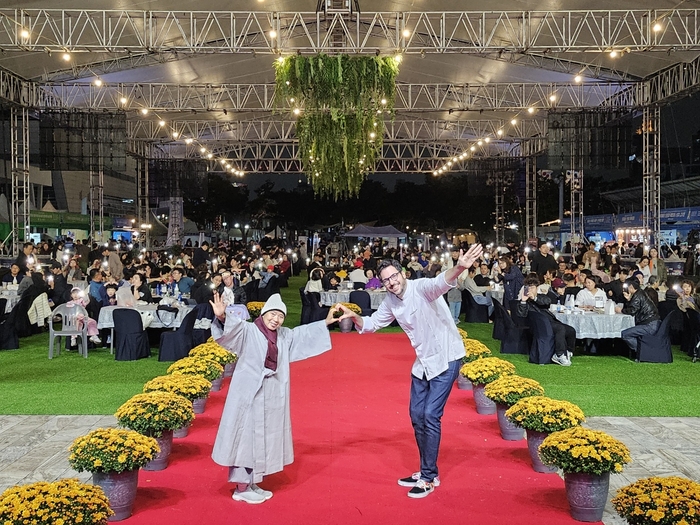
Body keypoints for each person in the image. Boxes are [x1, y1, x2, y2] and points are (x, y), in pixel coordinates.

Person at [337, 243, 484, 499]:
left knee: (430, 415)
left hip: (447, 358)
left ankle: (428, 477)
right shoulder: (391, 301)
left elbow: (442, 281)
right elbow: (372, 324)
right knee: (416, 415)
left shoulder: (422, 288)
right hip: (423, 363)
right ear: (382, 284)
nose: (392, 282)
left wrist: (460, 267)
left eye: (394, 276)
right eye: (386, 280)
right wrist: (355, 317)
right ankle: (427, 469)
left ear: (403, 273)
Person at [209, 293, 340, 504]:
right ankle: (241, 487)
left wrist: (325, 321)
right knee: (245, 439)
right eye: (272, 314)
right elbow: (232, 330)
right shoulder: (249, 330)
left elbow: (303, 335)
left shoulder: (283, 336)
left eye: (280, 316)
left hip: (270, 395)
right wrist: (223, 316)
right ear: (263, 313)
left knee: (262, 438)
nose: (275, 319)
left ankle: (251, 482)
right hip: (249, 395)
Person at [516, 275, 576, 366]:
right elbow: (521, 314)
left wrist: (534, 298)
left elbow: (547, 302)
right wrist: (524, 301)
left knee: (571, 330)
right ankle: (559, 354)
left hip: (550, 322)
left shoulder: (541, 297)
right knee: (560, 329)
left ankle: (567, 351)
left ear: (537, 288)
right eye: (528, 288)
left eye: (532, 287)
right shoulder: (523, 302)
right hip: (540, 326)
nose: (530, 290)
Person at [616, 278, 661, 360]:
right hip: (653, 322)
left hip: (649, 325)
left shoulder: (637, 296)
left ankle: (642, 352)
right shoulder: (641, 293)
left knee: (625, 334)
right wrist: (629, 300)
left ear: (631, 287)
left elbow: (632, 310)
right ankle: (643, 351)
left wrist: (621, 310)